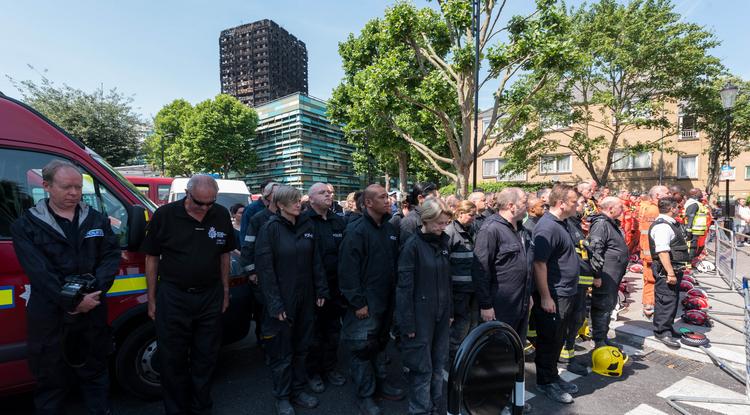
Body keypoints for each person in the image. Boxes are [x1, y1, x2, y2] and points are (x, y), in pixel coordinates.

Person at [11, 159, 120, 414]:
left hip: (92, 311)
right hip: (51, 318)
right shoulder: (26, 225)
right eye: (66, 187)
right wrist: (72, 302)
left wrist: (94, 292)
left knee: (96, 377)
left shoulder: (96, 220)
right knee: (51, 384)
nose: (74, 193)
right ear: (46, 186)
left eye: (78, 187)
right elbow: (39, 272)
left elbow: (111, 256)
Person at [142, 174, 236, 415]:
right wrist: (152, 298)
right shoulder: (165, 215)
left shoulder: (221, 214)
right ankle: (176, 409)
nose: (205, 208)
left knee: (206, 356)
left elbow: (224, 255)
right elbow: (151, 257)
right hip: (174, 296)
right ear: (187, 193)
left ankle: (201, 406)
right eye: (199, 203)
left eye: (210, 203)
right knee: (172, 359)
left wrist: (225, 292)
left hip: (210, 295)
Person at [256, 185, 329, 415]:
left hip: (306, 298)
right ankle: (283, 397)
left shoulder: (307, 225)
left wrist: (321, 290)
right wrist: (275, 304)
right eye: (293, 200)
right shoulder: (270, 229)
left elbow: (315, 261)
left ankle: (298, 390)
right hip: (283, 302)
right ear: (280, 205)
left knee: (302, 348)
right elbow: (265, 271)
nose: (299, 203)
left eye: (299, 199)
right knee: (282, 353)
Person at [339, 184, 404, 415]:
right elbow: (347, 271)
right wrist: (358, 303)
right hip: (366, 304)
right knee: (361, 348)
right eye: (383, 197)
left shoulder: (389, 228)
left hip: (386, 301)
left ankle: (381, 383)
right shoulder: (356, 231)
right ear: (368, 203)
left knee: (379, 343)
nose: (388, 200)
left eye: (388, 197)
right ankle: (365, 395)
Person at [396, 197, 453, 415]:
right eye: (439, 222)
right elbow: (403, 288)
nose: (443, 227)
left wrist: (450, 312)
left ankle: (435, 406)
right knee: (422, 369)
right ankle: (420, 409)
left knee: (438, 365)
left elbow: (447, 281)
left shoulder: (443, 242)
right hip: (420, 317)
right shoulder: (412, 246)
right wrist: (407, 323)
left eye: (445, 222)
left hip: (440, 314)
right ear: (426, 220)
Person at [531, 184, 580, 404]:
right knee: (548, 340)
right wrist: (545, 296)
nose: (577, 205)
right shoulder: (547, 227)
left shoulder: (561, 223)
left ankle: (552, 376)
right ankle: (545, 382)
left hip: (566, 292)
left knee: (557, 338)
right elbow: (539, 264)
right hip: (554, 294)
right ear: (561, 204)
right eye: (574, 201)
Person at [303, 183, 348, 393]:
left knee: (333, 332)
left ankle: (330, 368)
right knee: (314, 335)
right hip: (312, 290)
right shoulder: (303, 222)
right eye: (323, 192)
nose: (329, 195)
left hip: (336, 289)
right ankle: (313, 373)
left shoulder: (338, 221)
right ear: (311, 199)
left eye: (329, 192)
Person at [474, 188, 531, 340]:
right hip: (500, 306)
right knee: (498, 350)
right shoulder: (491, 229)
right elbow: (481, 270)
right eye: (524, 202)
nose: (528, 206)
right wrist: (486, 305)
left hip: (521, 303)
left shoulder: (521, 230)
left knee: (516, 347)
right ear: (511, 206)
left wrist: (528, 295)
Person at [240, 181, 280, 346]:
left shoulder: (285, 215)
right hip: (261, 272)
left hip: (277, 272)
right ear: (268, 196)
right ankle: (264, 343)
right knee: (263, 311)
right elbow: (246, 243)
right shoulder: (255, 215)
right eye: (277, 193)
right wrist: (252, 271)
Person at [587, 197, 629, 349]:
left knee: (608, 305)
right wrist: (596, 275)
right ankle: (598, 340)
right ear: (610, 208)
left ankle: (602, 336)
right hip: (605, 274)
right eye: (620, 206)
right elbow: (595, 250)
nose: (623, 209)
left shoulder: (609, 223)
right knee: (602, 305)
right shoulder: (601, 224)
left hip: (612, 273)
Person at [649, 197, 690, 348]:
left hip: (672, 269)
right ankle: (662, 332)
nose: (680, 210)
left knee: (671, 299)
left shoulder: (669, 224)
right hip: (666, 270)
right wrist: (670, 273)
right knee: (665, 300)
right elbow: (663, 251)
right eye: (678, 207)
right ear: (672, 208)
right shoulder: (663, 227)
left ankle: (668, 327)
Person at [559, 195, 594, 368]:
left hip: (581, 282)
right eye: (580, 203)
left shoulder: (575, 224)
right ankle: (565, 355)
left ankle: (568, 354)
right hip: (572, 282)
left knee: (577, 319)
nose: (583, 206)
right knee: (570, 319)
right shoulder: (565, 225)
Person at [444, 200, 477, 360]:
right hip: (458, 290)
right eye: (471, 215)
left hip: (472, 288)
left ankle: (466, 355)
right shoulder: (450, 232)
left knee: (472, 323)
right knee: (460, 325)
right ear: (460, 213)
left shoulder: (473, 230)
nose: (474, 218)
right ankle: (454, 355)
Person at [637, 185, 669, 319]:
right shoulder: (654, 211)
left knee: (650, 280)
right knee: (651, 280)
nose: (669, 195)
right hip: (651, 253)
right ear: (657, 195)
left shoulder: (648, 208)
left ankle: (649, 306)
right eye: (667, 193)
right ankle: (649, 308)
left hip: (648, 252)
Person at [684, 188, 708, 257]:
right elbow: (690, 216)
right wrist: (688, 229)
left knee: (694, 247)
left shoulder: (697, 203)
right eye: (699, 192)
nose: (701, 193)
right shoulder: (693, 204)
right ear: (694, 194)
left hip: (697, 230)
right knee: (692, 247)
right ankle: (688, 263)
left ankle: (691, 261)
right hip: (693, 230)